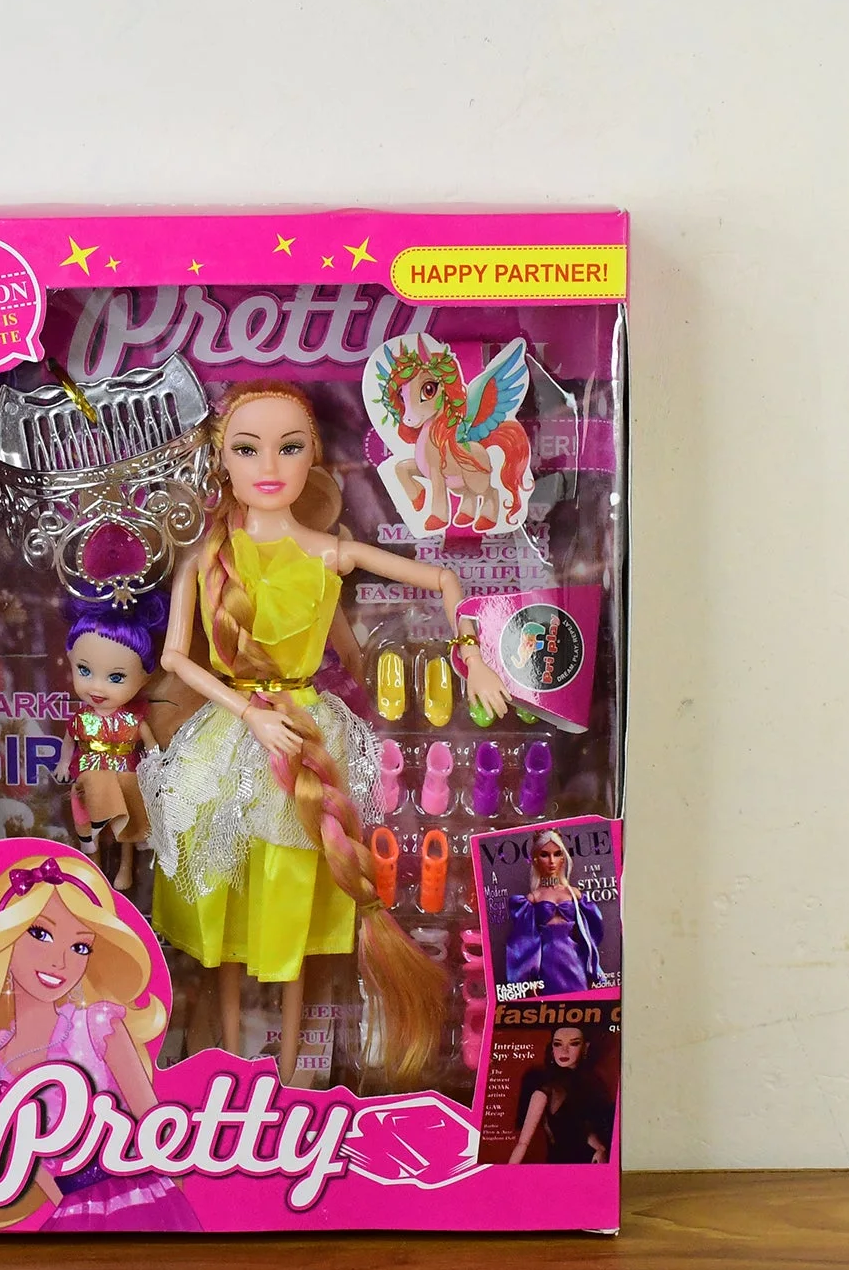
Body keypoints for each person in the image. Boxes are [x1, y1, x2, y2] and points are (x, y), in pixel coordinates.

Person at [139, 380, 510, 1087]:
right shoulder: (203, 557)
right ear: (221, 459)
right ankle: (225, 1068)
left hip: (306, 729)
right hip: (230, 735)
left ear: (314, 457)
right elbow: (176, 658)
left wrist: (473, 656)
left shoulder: (328, 554)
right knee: (223, 893)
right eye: (247, 449)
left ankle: (285, 1082)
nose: (268, 465)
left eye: (289, 447)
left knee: (291, 891)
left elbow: (442, 581)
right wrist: (248, 712)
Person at [0, 850, 199, 1232]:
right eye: (40, 934)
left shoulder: (97, 1028)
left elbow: (158, 1130)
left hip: (147, 1201)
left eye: (80, 947)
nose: (60, 962)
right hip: (74, 1219)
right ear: (5, 936)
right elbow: (39, 1177)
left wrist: (180, 1210)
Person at [60, 592, 166, 890]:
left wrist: (157, 764)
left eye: (116, 678)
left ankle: (126, 866)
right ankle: (92, 867)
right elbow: (70, 740)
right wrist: (63, 763)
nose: (97, 687)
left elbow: (150, 744)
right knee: (89, 823)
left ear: (145, 678)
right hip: (89, 772)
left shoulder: (133, 720)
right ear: (70, 660)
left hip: (124, 776)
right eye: (84, 671)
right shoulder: (82, 718)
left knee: (126, 826)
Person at [505, 830, 604, 993]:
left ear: (563, 858)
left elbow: (591, 932)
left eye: (557, 854)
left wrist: (591, 967)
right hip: (547, 960)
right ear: (536, 860)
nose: (551, 861)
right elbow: (524, 940)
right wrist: (530, 976)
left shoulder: (574, 894)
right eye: (545, 855)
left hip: (573, 958)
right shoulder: (533, 899)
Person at [508, 1026, 613, 1165]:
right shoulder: (547, 1090)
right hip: (560, 1164)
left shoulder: (589, 1083)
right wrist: (507, 1173)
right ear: (552, 1048)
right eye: (558, 1044)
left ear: (585, 1047)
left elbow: (582, 1129)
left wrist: (600, 1149)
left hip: (589, 1162)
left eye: (574, 1043)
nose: (564, 1051)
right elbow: (523, 1143)